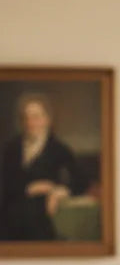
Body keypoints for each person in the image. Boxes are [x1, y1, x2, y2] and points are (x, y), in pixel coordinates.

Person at [0, 92, 82, 241]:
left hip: (40, 218)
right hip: (8, 219)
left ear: (47, 120)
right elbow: (5, 184)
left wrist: (58, 191)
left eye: (36, 117)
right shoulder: (11, 148)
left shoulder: (59, 149)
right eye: (26, 118)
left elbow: (80, 182)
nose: (30, 122)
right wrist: (29, 188)